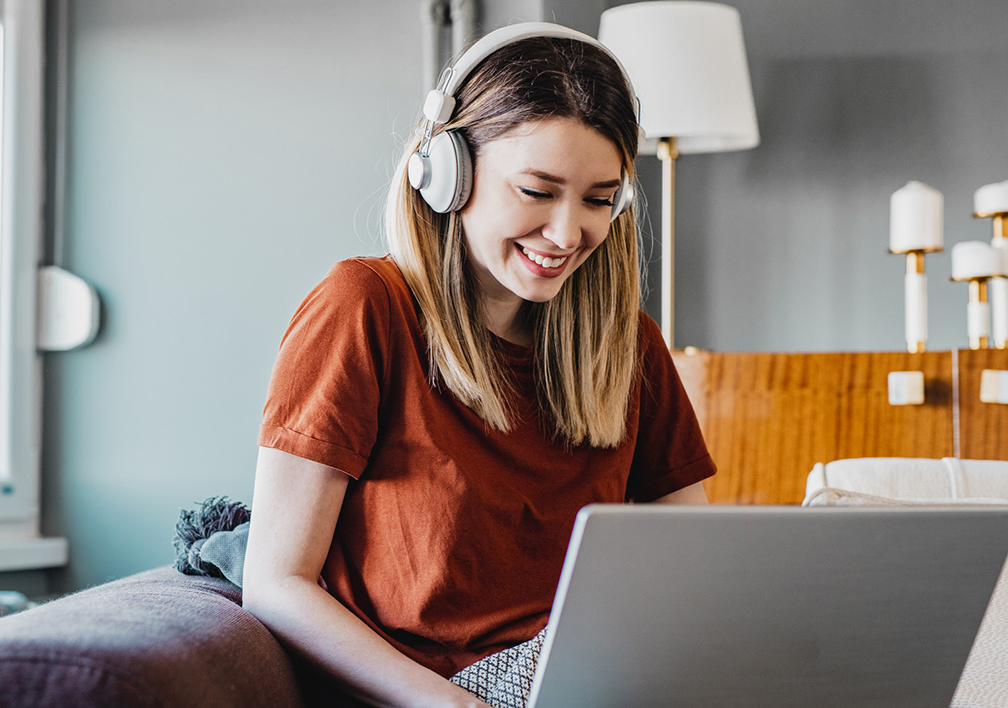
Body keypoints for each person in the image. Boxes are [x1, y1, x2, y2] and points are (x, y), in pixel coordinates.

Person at [241, 22, 715, 708]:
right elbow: (277, 584)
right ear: (446, 173)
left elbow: (699, 571)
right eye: (536, 190)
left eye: (598, 199)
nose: (567, 232)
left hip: (596, 681)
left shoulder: (629, 345)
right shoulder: (364, 308)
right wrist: (450, 705)